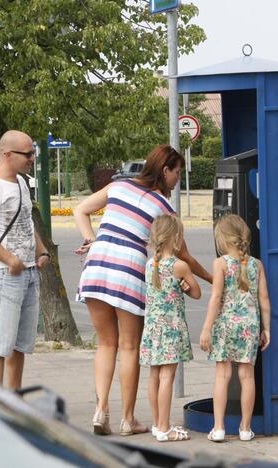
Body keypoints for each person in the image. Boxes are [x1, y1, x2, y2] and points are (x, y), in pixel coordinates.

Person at [73, 144, 212, 436]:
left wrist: (91, 240)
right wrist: (212, 278)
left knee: (105, 344)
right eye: (177, 173)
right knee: (128, 347)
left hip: (97, 263)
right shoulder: (163, 207)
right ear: (165, 170)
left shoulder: (118, 186)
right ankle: (127, 419)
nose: (178, 180)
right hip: (129, 268)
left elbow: (80, 210)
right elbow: (183, 256)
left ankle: (101, 411)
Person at [0, 130, 52, 389]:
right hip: (6, 274)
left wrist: (41, 251)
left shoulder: (20, 182)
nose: (32, 158)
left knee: (20, 345)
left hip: (29, 272)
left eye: (33, 153)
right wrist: (10, 260)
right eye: (27, 154)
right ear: (7, 154)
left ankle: (13, 399)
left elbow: (26, 221)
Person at [199, 214, 271, 442]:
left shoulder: (220, 264)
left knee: (223, 374)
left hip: (225, 324)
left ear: (222, 239)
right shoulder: (256, 265)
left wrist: (207, 328)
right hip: (249, 327)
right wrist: (266, 329)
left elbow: (216, 297)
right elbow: (264, 299)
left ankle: (219, 427)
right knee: (246, 376)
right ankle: (245, 428)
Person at [139, 214, 201, 442]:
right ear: (176, 238)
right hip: (171, 330)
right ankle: (165, 428)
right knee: (167, 377)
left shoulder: (150, 264)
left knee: (154, 376)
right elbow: (197, 292)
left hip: (153, 329)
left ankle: (158, 423)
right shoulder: (179, 266)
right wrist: (184, 287)